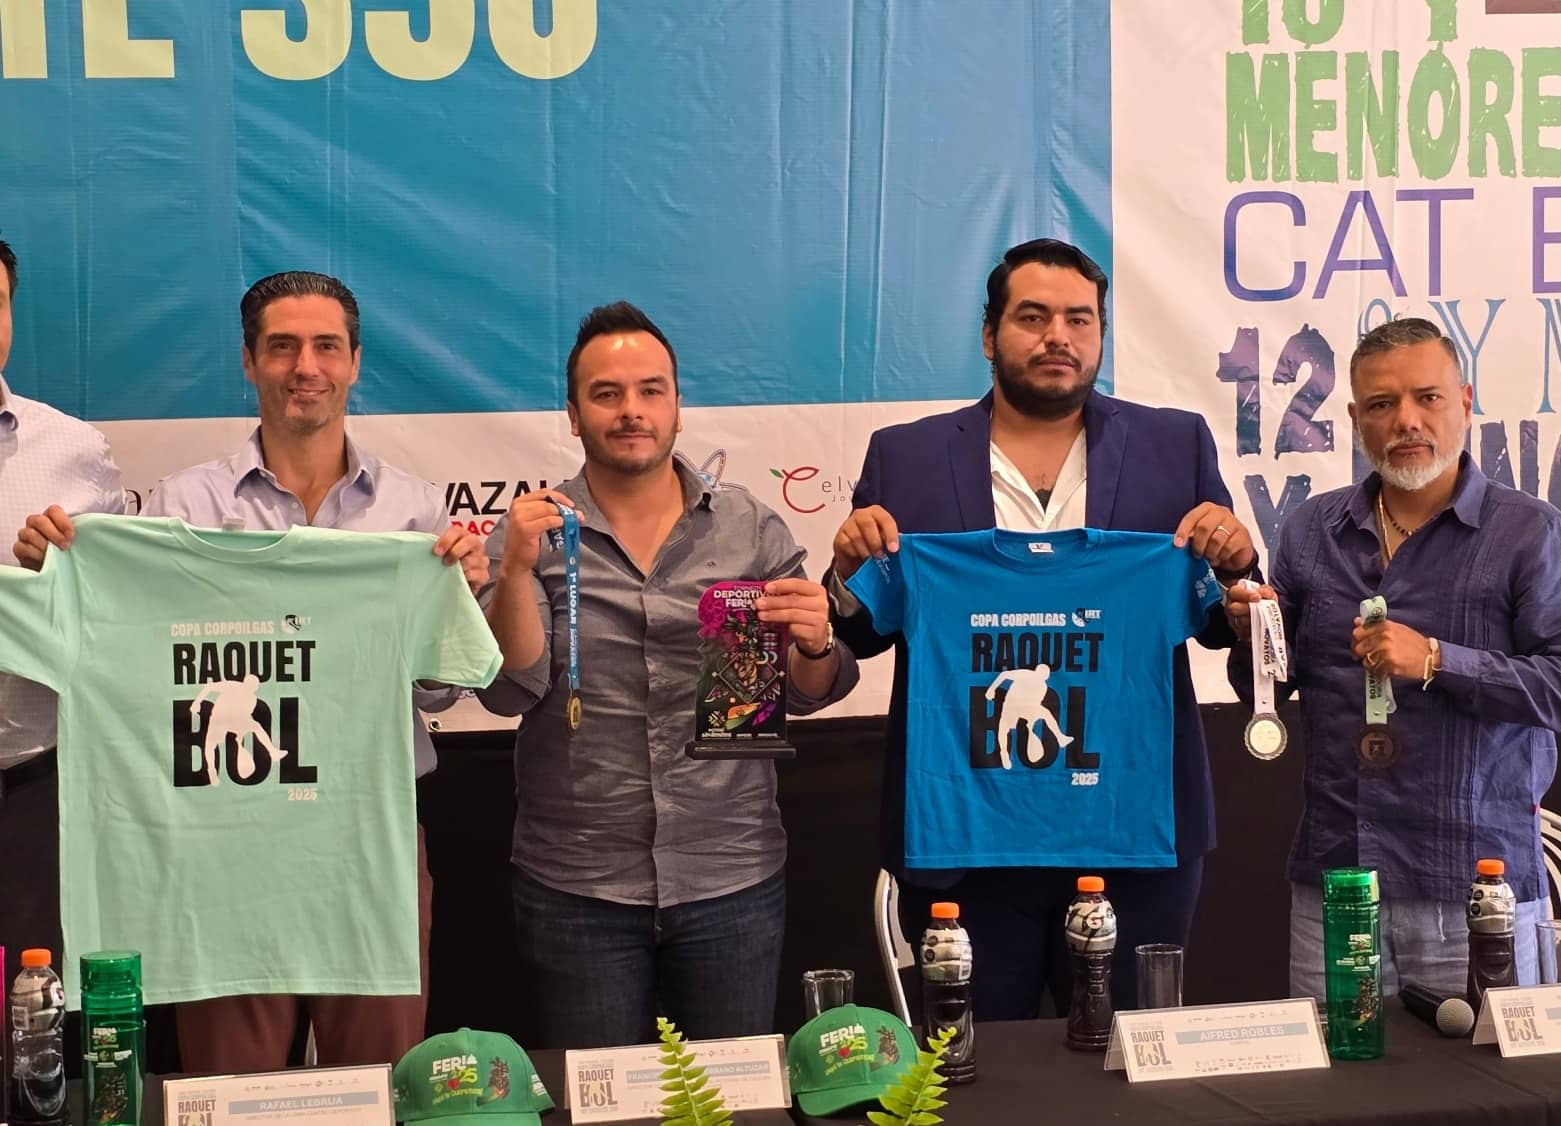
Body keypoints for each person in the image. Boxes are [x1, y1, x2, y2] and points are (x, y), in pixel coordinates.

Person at [15, 270, 487, 1069]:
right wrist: (58, 571)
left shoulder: (414, 514)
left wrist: (455, 600)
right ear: (247, 360)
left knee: (377, 1082)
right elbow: (129, 658)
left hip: (370, 838)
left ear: (354, 362)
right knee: (231, 1091)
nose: (306, 366)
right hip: (221, 840)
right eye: (282, 347)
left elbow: (437, 689)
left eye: (326, 346)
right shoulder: (180, 507)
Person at [830, 237, 1256, 1017]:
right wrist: (845, 569)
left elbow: (1215, 627)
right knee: (976, 1064)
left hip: (1133, 833)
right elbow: (860, 635)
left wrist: (1236, 568)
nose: (1057, 336)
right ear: (988, 335)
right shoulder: (905, 457)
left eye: (1078, 319)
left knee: (1130, 1058)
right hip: (965, 839)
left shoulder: (1175, 446)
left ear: (1099, 334)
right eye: (1032, 317)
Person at [479, 301, 858, 1048]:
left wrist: (815, 644)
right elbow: (506, 690)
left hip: (730, 875)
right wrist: (516, 572)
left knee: (729, 1097)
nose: (631, 410)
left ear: (677, 408)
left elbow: (809, 693)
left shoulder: (749, 526)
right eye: (606, 393)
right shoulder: (532, 532)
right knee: (600, 1097)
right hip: (578, 884)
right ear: (573, 415)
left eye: (650, 390)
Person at [1226, 317, 1561, 998]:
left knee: (1481, 1072)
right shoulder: (1310, 530)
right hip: (1335, 882)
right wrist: (1251, 632)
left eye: (1427, 397)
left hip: (1475, 885)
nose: (1406, 420)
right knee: (1329, 1071)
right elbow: (1269, 686)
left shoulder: (1529, 531)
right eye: (1381, 404)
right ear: (1356, 420)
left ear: (1464, 402)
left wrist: (1437, 660)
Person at [0, 236, 128, 968]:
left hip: (37, 787)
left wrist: (67, 580)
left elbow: (123, 624)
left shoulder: (74, 451)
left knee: (37, 1013)